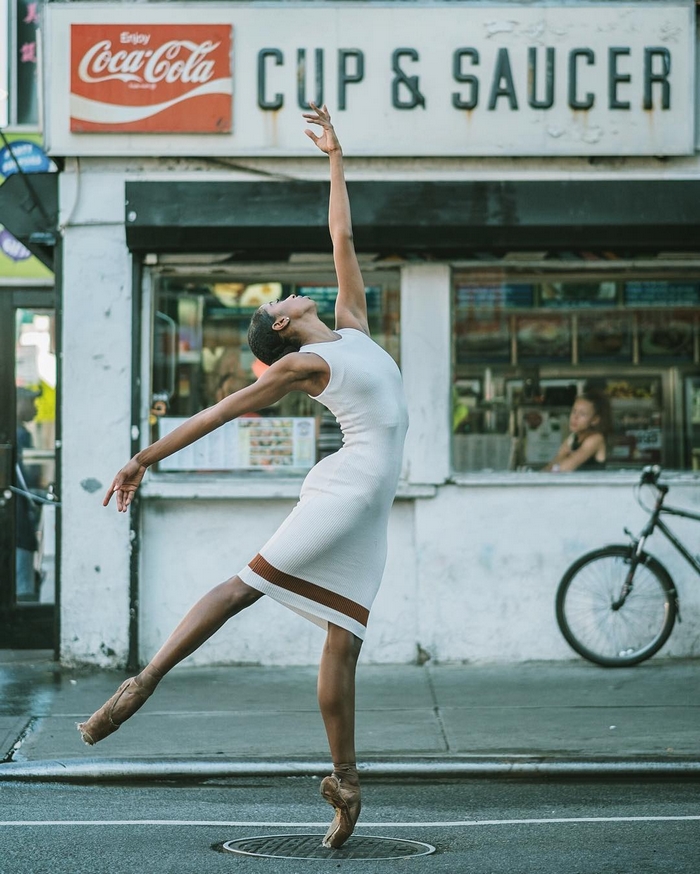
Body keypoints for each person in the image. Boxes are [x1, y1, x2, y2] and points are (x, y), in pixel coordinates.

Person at [77, 104, 409, 850]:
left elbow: (342, 236)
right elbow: (220, 411)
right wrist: (141, 459)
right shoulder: (302, 363)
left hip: (369, 504)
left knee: (343, 640)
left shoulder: (351, 328)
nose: (289, 293)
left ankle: (346, 787)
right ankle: (139, 687)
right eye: (278, 303)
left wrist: (335, 155)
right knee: (242, 589)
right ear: (283, 329)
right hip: (349, 489)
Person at [543, 390, 611, 472]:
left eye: (582, 414)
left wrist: (552, 469)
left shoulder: (596, 439)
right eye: (574, 411)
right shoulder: (572, 438)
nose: (575, 417)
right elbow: (553, 464)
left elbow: (563, 468)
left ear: (594, 420)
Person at [15, 387, 41, 601]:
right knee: (23, 590)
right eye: (30, 402)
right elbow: (29, 479)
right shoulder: (20, 435)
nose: (35, 408)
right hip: (19, 523)